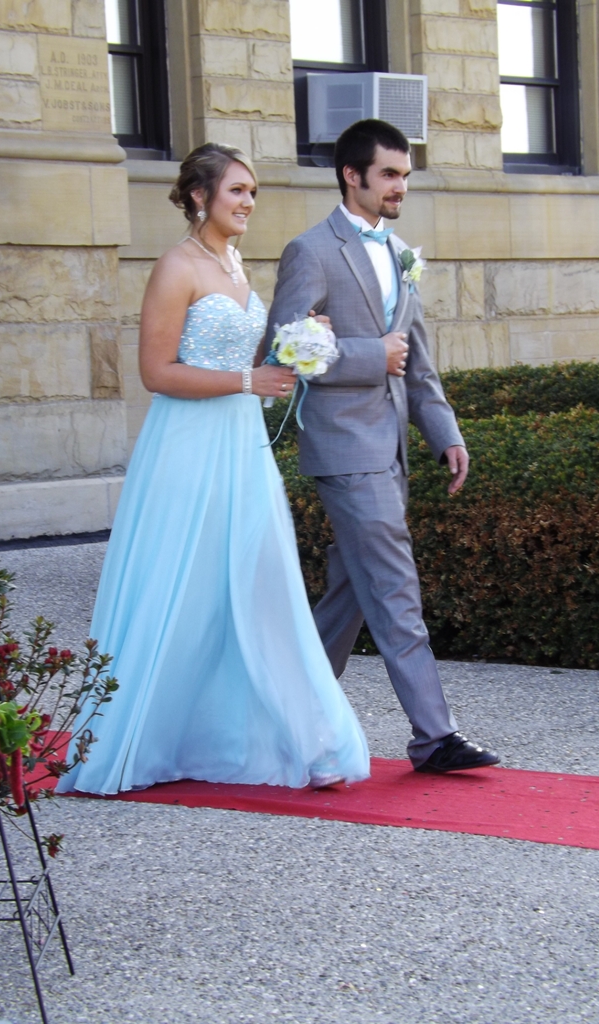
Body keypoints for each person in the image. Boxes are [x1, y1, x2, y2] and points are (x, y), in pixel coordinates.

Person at [57, 143, 370, 795]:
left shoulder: (235, 264)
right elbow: (157, 372)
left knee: (260, 584)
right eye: (237, 191)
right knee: (182, 587)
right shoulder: (176, 266)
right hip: (187, 448)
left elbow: (243, 361)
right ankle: (143, 738)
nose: (248, 202)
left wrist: (296, 345)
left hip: (240, 444)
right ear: (201, 196)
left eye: (252, 192)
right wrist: (248, 379)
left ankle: (298, 738)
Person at [266, 120, 499, 773]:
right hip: (345, 449)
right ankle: (435, 737)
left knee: (350, 592)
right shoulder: (310, 251)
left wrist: (444, 432)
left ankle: (281, 710)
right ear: (352, 175)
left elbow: (416, 359)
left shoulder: (399, 251)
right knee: (395, 588)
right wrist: (372, 354)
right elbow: (283, 347)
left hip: (390, 449)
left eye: (405, 175)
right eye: (389, 174)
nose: (401, 186)